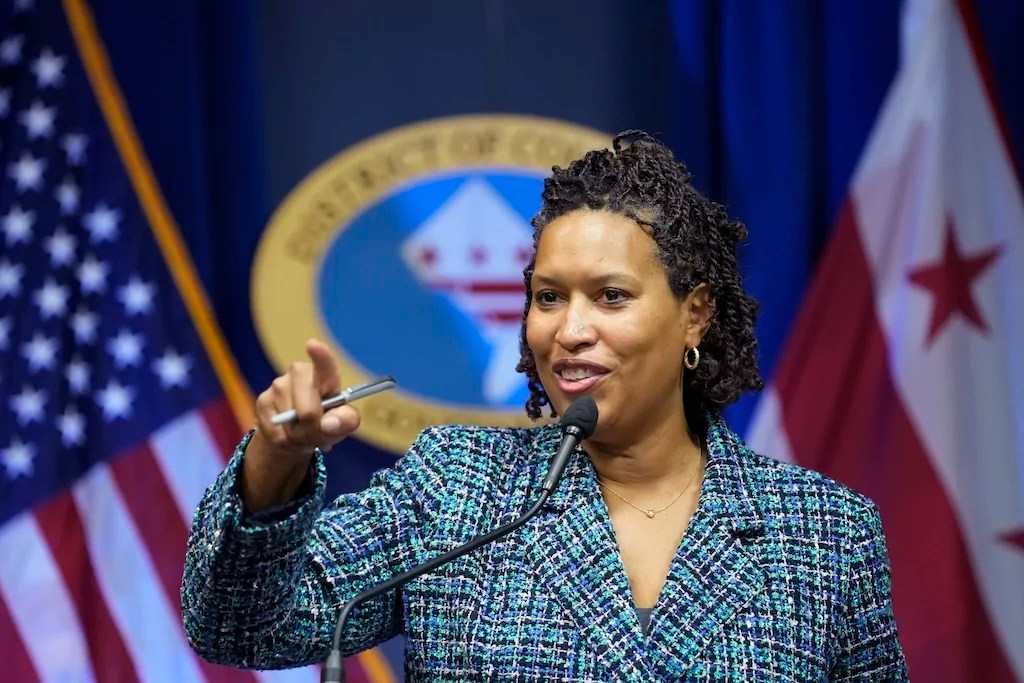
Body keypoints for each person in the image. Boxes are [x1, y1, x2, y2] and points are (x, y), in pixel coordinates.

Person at [181, 131, 908, 681]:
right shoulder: (459, 487)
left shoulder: (825, 533)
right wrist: (275, 461)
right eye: (549, 297)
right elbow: (240, 628)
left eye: (611, 296)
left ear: (694, 315)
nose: (570, 329)